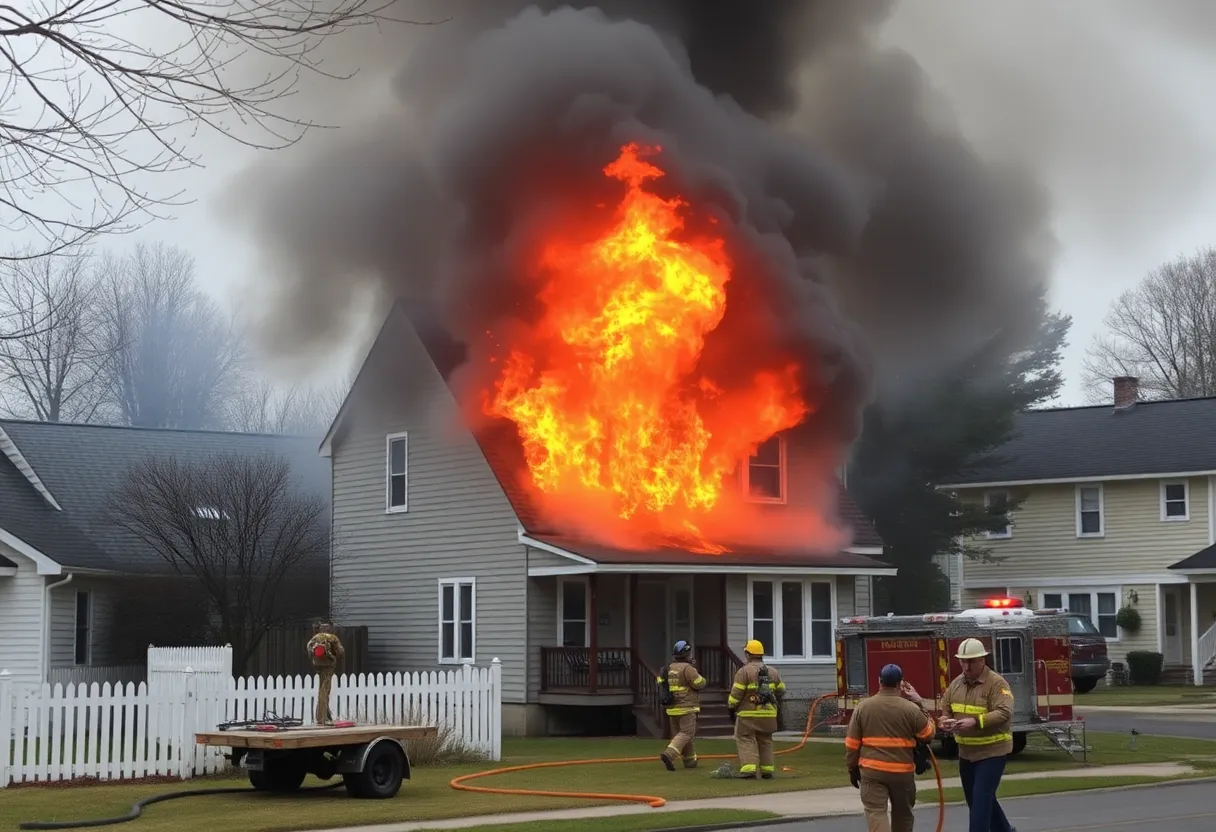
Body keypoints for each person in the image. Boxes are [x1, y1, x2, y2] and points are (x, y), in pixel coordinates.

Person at [844, 663, 935, 832]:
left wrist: (852, 769)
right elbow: (928, 734)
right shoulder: (911, 709)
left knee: (876, 812)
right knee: (903, 814)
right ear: (900, 684)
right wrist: (920, 703)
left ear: (880, 681)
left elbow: (852, 745)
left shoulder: (863, 708)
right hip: (902, 773)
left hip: (872, 772)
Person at [940, 637, 1016, 832]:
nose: (966, 666)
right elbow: (946, 707)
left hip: (992, 752)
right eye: (963, 661)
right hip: (966, 753)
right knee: (978, 801)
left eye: (971, 661)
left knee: (981, 802)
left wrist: (976, 721)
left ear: (982, 660)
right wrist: (945, 721)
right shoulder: (957, 683)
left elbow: (1004, 712)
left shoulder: (997, 683)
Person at [727, 639, 786, 779]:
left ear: (748, 654)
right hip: (769, 715)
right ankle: (767, 771)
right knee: (765, 741)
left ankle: (749, 769)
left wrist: (730, 706)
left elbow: (736, 694)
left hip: (748, 715)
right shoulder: (772, 671)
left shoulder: (744, 672)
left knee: (745, 738)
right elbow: (782, 690)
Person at [658, 639, 707, 771]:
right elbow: (699, 683)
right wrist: (697, 673)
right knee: (687, 733)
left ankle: (690, 761)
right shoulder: (688, 669)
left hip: (672, 708)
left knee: (682, 735)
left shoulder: (668, 668)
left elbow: (661, 682)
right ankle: (669, 754)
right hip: (687, 707)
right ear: (687, 653)